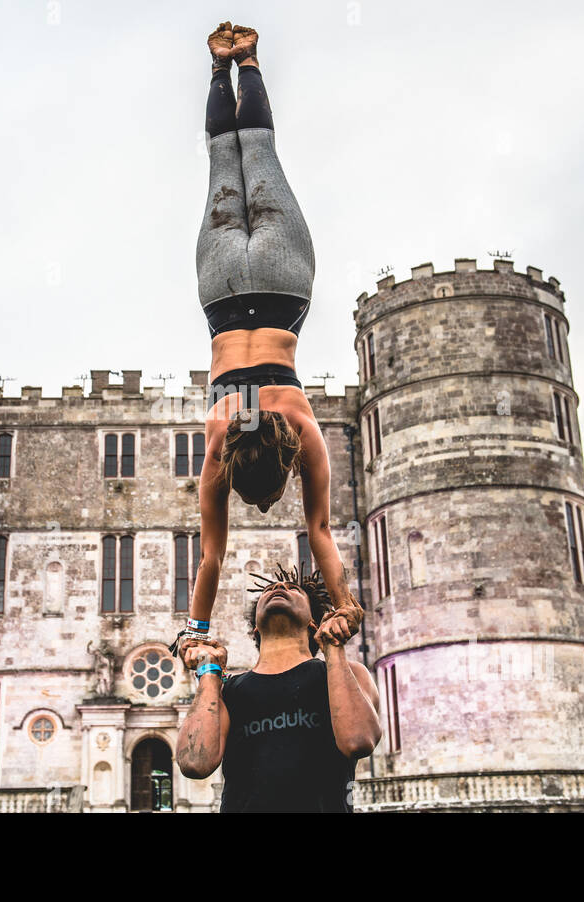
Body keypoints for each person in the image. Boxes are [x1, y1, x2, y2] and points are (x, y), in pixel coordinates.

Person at [172, 22, 363, 659]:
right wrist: (193, 635)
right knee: (223, 160)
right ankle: (216, 68)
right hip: (223, 296)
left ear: (282, 470)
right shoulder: (219, 439)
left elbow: (320, 533)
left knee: (260, 151)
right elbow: (210, 562)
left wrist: (346, 606)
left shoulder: (301, 426)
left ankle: (246, 60)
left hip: (283, 290)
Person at [175, 564, 382, 812]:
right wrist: (209, 673)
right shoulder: (227, 691)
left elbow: (358, 741)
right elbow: (194, 763)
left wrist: (334, 647)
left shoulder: (347, 673)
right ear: (255, 628)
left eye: (293, 589)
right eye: (269, 590)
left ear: (314, 624)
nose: (279, 587)